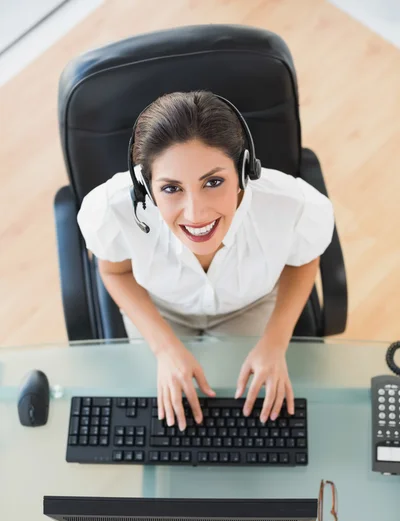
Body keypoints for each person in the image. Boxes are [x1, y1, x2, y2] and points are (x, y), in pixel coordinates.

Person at [77, 90, 334, 431]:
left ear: (243, 171)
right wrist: (164, 348)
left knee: (250, 421)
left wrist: (275, 342)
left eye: (213, 182)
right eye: (171, 189)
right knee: (161, 422)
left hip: (250, 307)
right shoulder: (113, 210)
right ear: (145, 185)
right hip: (162, 311)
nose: (195, 214)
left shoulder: (290, 205)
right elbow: (113, 271)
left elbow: (303, 260)